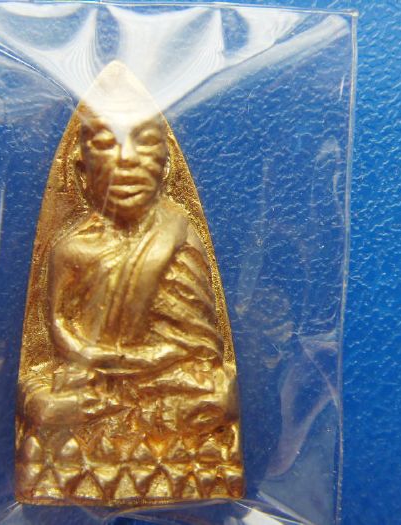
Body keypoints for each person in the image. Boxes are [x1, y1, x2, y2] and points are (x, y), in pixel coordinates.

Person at [16, 62, 242, 503]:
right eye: (105, 144)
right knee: (42, 404)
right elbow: (59, 336)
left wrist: (155, 369)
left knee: (217, 396)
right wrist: (104, 364)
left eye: (145, 143)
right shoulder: (72, 250)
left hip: (171, 381)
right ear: (82, 169)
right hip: (93, 382)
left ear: (166, 163)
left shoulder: (179, 235)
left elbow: (201, 347)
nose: (126, 161)